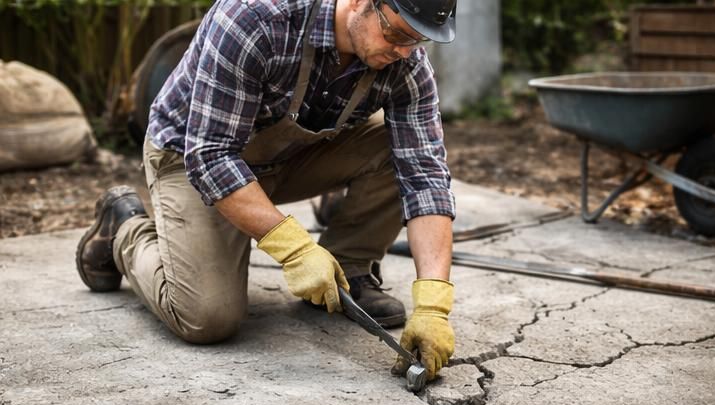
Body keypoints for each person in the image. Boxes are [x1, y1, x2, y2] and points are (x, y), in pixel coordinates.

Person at [75, 0, 458, 380]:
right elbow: (210, 155)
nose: (404, 51)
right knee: (206, 317)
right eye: (396, 33)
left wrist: (434, 304)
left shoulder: (406, 64)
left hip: (288, 157)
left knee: (398, 151)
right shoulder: (254, 18)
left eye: (418, 40)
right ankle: (123, 229)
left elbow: (425, 175)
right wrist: (294, 248)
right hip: (191, 156)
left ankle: (347, 272)